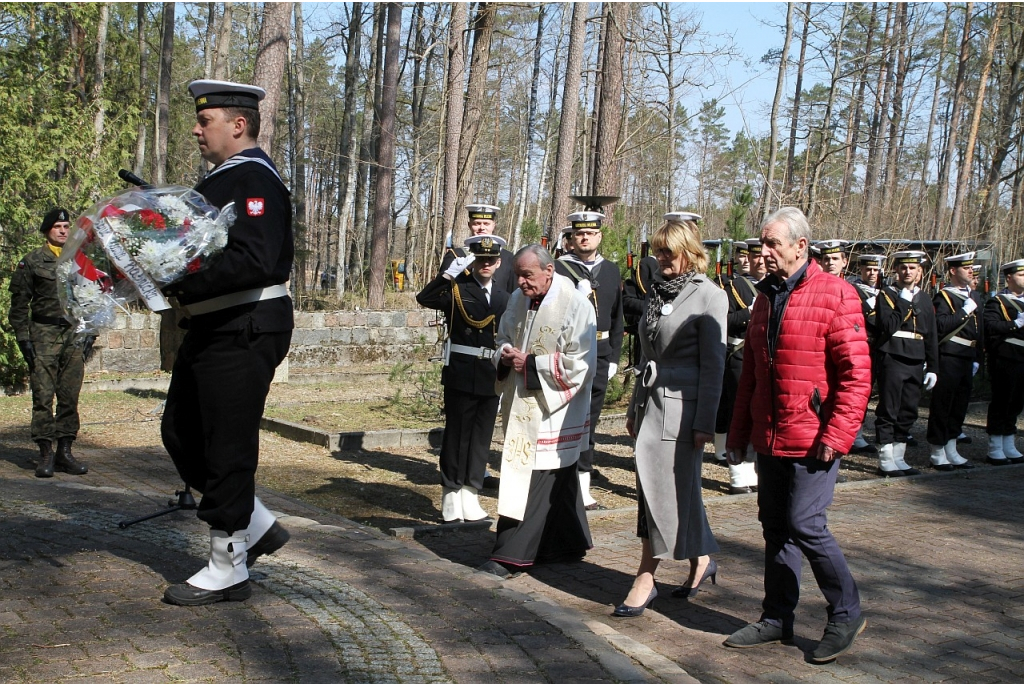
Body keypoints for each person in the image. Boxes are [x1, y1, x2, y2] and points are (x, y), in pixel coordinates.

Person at [159, 80, 294, 606]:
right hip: (215, 324)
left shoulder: (253, 178)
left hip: (245, 325)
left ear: (238, 125)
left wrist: (174, 272)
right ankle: (255, 523)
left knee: (226, 444)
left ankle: (228, 562)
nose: (196, 128)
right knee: (181, 432)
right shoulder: (225, 179)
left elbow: (254, 262)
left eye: (205, 120)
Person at [724, 207, 871, 664]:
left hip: (814, 436)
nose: (763, 252)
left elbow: (856, 375)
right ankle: (776, 618)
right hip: (771, 436)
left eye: (772, 244)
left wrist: (838, 433)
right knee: (775, 527)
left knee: (807, 524)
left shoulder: (836, 294)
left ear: (800, 246)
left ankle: (846, 613)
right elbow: (751, 372)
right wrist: (739, 433)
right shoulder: (764, 298)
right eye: (762, 244)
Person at [614, 216, 726, 618]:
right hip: (650, 405)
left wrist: (704, 423)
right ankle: (701, 559)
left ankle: (646, 577)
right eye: (657, 250)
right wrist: (633, 406)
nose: (660, 258)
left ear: (690, 254)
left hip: (682, 411)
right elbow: (647, 356)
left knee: (662, 492)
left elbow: (714, 367)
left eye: (668, 251)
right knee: (667, 491)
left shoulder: (710, 296)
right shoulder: (659, 293)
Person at [478, 245, 596, 578]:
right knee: (556, 476)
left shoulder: (576, 305)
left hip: (555, 408)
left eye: (527, 275)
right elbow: (501, 336)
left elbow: (580, 363)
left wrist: (530, 364)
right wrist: (503, 353)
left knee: (532, 476)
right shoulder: (517, 299)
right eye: (517, 274)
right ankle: (563, 543)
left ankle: (510, 554)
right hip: (521, 402)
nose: (520, 282)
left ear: (548, 270)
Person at [415, 235, 510, 522]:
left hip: (492, 372)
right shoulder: (457, 290)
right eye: (480, 259)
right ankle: (450, 492)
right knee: (457, 435)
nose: (486, 264)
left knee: (481, 437)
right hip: (462, 370)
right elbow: (425, 299)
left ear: (499, 263)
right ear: (473, 260)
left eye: (491, 260)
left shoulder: (505, 296)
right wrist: (447, 275)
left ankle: (471, 492)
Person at [8, 208, 90, 478]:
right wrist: (23, 338)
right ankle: (45, 453)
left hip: (73, 334)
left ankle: (64, 452)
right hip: (43, 333)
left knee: (70, 395)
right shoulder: (32, 261)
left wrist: (91, 334)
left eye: (67, 226)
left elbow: (93, 299)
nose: (64, 231)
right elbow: (19, 306)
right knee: (43, 396)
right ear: (47, 230)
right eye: (57, 226)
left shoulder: (80, 260)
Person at [555, 209, 624, 509]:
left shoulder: (610, 270)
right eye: (578, 233)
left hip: (602, 352)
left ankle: (583, 484)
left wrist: (615, 357)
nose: (584, 237)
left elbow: (618, 317)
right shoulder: (559, 270)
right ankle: (562, 481)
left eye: (590, 233)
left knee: (590, 422)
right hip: (571, 352)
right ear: (571, 237)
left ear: (599, 236)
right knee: (567, 419)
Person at [873, 251, 938, 477]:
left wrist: (933, 367)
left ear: (920, 272)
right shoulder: (888, 295)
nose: (907, 272)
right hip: (893, 356)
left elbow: (930, 335)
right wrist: (903, 300)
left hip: (916, 358)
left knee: (909, 410)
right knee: (889, 409)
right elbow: (888, 326)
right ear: (897, 270)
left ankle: (899, 457)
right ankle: (885, 458)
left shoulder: (925, 298)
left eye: (912, 268)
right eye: (903, 268)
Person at [926, 252, 983, 471]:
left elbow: (980, 332)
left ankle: (951, 447)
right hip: (949, 355)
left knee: (959, 405)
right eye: (965, 267)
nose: (970, 271)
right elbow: (940, 326)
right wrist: (964, 311)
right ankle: (937, 450)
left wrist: (978, 358)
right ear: (953, 271)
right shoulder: (944, 297)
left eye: (971, 268)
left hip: (967, 356)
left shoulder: (974, 296)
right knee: (943, 404)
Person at [712, 236, 760, 494]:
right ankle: (737, 472)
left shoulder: (778, 286)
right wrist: (749, 313)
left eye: (763, 256)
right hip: (739, 354)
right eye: (754, 257)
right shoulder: (731, 286)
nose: (759, 262)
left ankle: (753, 468)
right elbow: (722, 320)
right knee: (736, 413)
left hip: (766, 357)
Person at [984, 258, 1024, 464]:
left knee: (1017, 402)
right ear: (1009, 278)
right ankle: (995, 445)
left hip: (1022, 358)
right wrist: (1015, 324)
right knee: (1002, 400)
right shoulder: (998, 302)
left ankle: (1009, 441)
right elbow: (990, 327)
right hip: (1005, 357)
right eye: (1021, 274)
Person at [848, 253, 884, 455]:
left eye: (875, 270)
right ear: (860, 270)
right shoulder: (854, 290)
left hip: (877, 347)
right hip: (860, 344)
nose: (871, 273)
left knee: (866, 393)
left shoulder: (884, 292)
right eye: (868, 269)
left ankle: (859, 434)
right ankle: (853, 435)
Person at [439, 204, 516, 294]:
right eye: (477, 223)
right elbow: (441, 290)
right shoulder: (455, 255)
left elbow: (514, 294)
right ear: (469, 225)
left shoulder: (508, 257)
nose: (482, 228)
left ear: (493, 225)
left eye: (486, 224)